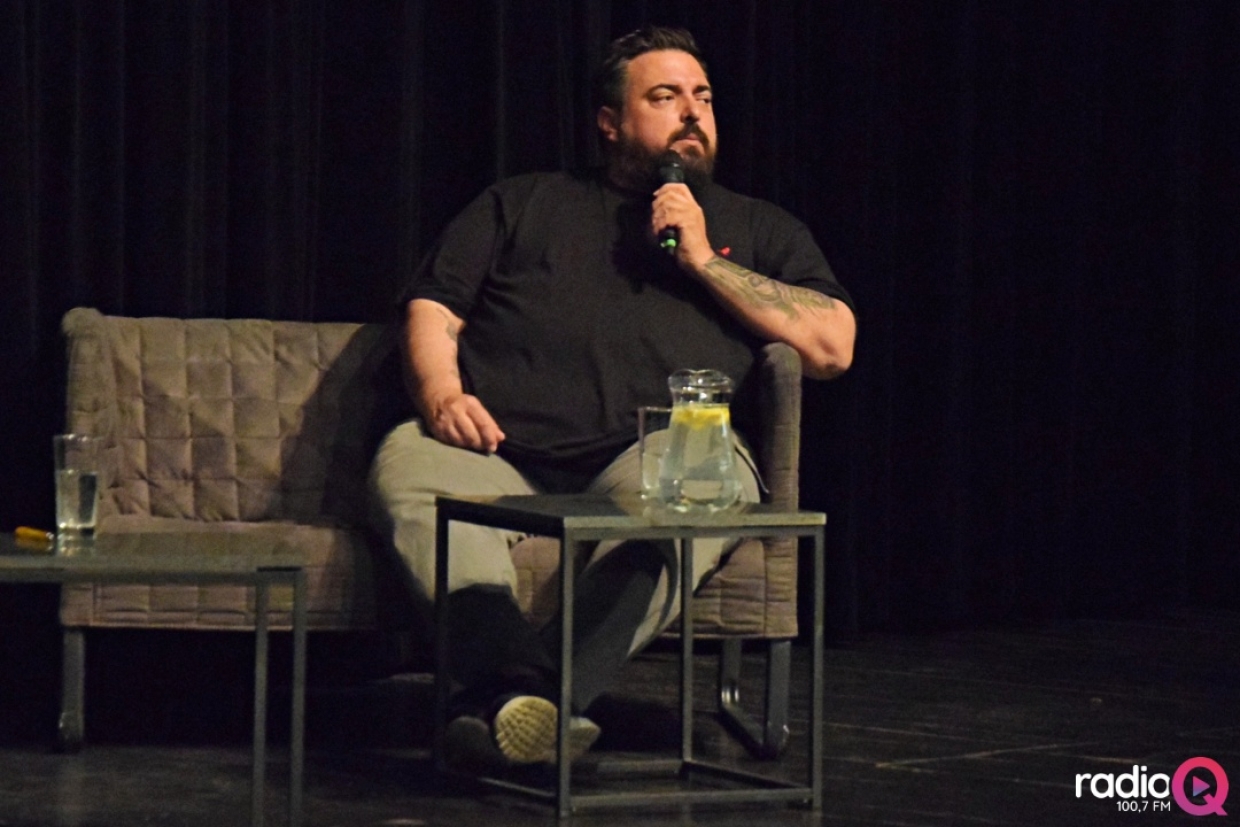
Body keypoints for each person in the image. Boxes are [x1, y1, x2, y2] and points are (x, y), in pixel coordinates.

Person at [369, 25, 856, 769]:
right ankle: (526, 702)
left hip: (655, 453)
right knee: (409, 469)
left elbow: (832, 347)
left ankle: (517, 706)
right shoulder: (523, 202)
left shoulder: (759, 227)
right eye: (664, 96)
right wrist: (440, 393)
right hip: (497, 445)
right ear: (609, 122)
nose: (691, 112)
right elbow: (435, 306)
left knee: (707, 491)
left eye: (703, 97)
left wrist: (702, 259)